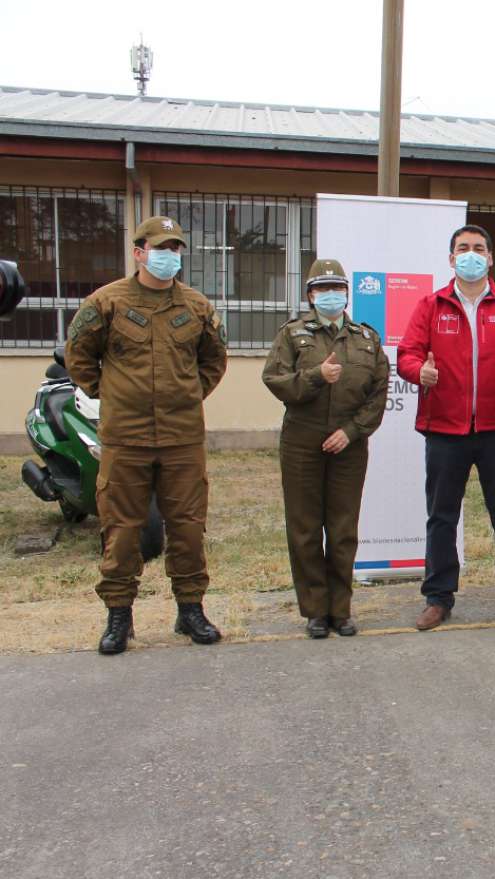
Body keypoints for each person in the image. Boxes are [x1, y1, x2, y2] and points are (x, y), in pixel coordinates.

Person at [64, 216, 227, 655]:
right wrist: (109, 393)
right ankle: (119, 616)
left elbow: (214, 361)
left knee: (189, 527)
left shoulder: (196, 307)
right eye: (160, 248)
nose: (168, 256)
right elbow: (77, 356)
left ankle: (190, 609)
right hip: (126, 438)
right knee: (121, 529)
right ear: (138, 252)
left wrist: (191, 392)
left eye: (175, 249)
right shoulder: (106, 303)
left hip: (182, 438)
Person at [397, 225, 495, 631]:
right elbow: (407, 355)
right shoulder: (431, 306)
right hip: (445, 428)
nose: (471, 254)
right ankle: (438, 597)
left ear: (491, 258)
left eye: (478, 248)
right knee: (441, 516)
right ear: (450, 259)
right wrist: (419, 372)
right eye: (463, 248)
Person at [262, 259, 390, 639]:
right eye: (322, 289)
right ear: (310, 295)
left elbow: (378, 393)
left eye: (337, 288)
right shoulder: (293, 334)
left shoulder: (366, 338)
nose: (331, 295)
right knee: (304, 527)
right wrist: (317, 376)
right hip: (302, 440)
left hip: (348, 445)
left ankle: (341, 609)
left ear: (347, 294)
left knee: (342, 528)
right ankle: (315, 611)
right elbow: (275, 380)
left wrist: (351, 432)